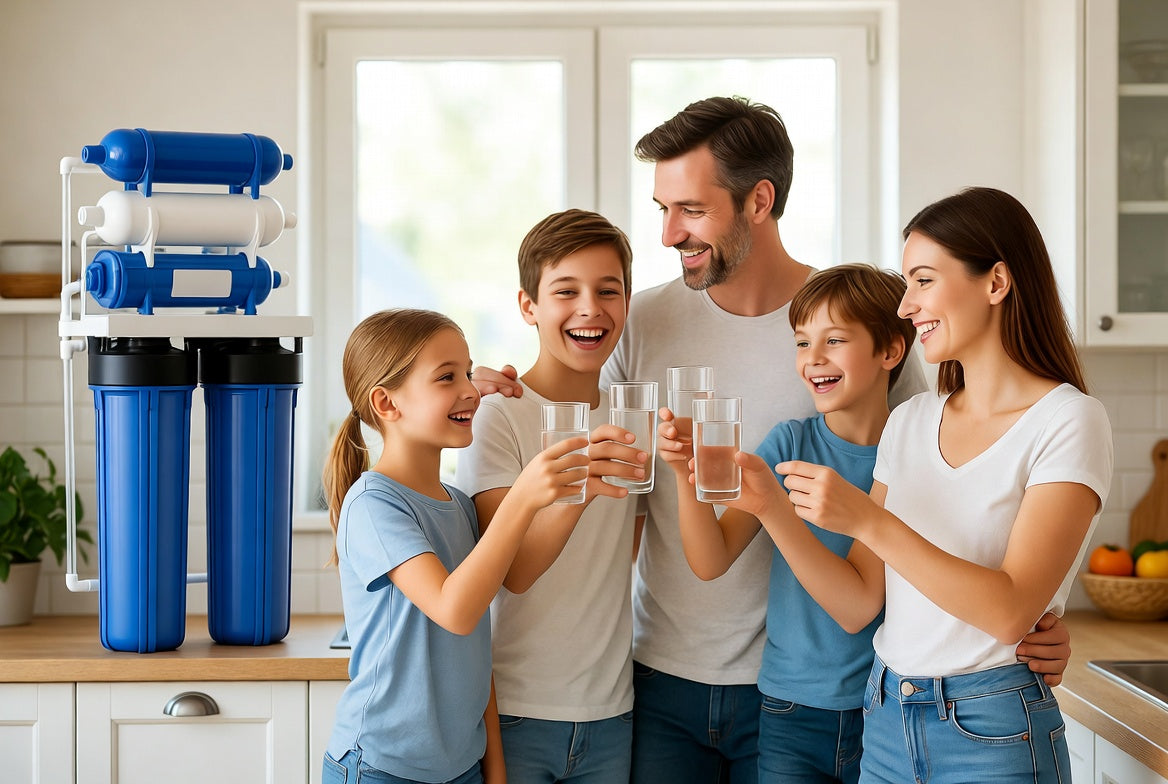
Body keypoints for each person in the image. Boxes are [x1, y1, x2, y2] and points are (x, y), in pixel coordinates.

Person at [474, 97, 1072, 782]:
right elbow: (572, 390)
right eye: (662, 209)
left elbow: (954, 480)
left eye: (690, 210)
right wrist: (484, 387)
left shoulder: (852, 325)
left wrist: (1042, 613)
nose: (669, 234)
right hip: (655, 678)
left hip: (805, 695)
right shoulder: (638, 322)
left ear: (758, 200)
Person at [775, 187, 1113, 782]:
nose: (906, 306)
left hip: (993, 729)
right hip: (883, 720)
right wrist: (769, 504)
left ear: (996, 282)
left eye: (923, 281)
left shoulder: (1068, 420)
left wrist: (868, 520)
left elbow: (1010, 611)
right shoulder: (908, 421)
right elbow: (859, 601)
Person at [321, 308, 603, 784]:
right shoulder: (373, 504)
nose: (471, 390)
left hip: (462, 767)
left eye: (468, 372)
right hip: (381, 767)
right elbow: (454, 610)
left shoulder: (456, 503)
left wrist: (493, 767)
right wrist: (524, 498)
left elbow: (474, 649)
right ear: (387, 404)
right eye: (447, 377)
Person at [658, 263, 915, 783]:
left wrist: (775, 510)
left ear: (890, 351)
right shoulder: (789, 444)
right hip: (789, 710)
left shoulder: (914, 453)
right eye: (802, 342)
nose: (812, 359)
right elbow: (710, 561)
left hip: (886, 708)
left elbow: (855, 610)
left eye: (834, 340)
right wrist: (687, 474)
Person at [454, 209, 644, 783]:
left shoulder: (631, 417)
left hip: (612, 708)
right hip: (517, 708)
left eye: (608, 290)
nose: (590, 307)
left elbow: (624, 555)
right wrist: (578, 489)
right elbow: (511, 572)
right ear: (528, 306)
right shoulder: (499, 414)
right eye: (567, 291)